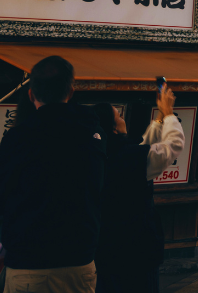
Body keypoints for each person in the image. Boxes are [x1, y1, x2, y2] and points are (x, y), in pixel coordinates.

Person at [0, 55, 105, 293]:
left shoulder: (16, 139)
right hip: (78, 262)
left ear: (30, 94)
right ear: (71, 91)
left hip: (28, 264)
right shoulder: (92, 134)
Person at [92, 90, 185, 293]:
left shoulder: (98, 155)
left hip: (104, 248)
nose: (122, 118)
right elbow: (173, 146)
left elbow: (144, 149)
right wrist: (169, 114)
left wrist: (159, 119)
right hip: (139, 249)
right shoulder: (131, 157)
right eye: (119, 116)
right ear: (114, 128)